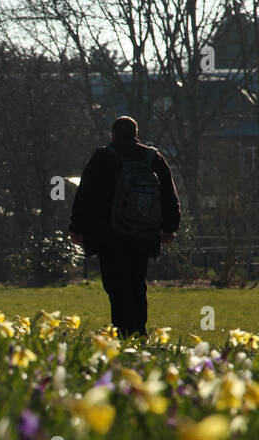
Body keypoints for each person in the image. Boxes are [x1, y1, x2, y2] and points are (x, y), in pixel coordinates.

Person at [68, 116, 180, 339]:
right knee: (137, 282)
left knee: (116, 284)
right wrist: (169, 227)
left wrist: (77, 226)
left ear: (113, 134)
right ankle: (139, 331)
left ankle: (122, 331)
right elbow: (169, 194)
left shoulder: (102, 157)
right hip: (143, 234)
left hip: (110, 234)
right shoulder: (153, 157)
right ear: (135, 133)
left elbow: (85, 194)